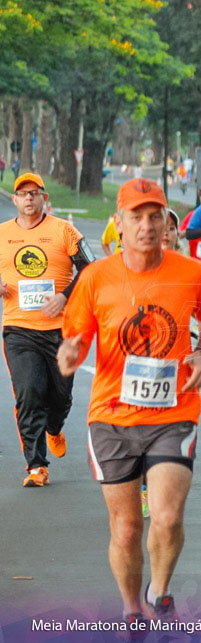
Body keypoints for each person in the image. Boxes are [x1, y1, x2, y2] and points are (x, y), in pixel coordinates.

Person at [57, 178, 201, 625]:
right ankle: (132, 610)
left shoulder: (190, 273)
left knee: (166, 517)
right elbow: (75, 337)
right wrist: (70, 352)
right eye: (137, 217)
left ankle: (160, 591)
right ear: (119, 223)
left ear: (168, 224)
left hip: (175, 412)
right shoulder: (95, 278)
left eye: (155, 217)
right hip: (112, 417)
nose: (147, 226)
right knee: (127, 529)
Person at [0, 172, 95, 487]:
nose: (28, 197)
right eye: (23, 193)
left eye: (34, 192)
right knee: (29, 392)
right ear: (14, 200)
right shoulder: (2, 234)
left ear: (44, 198)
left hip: (62, 328)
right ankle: (36, 466)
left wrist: (64, 296)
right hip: (19, 328)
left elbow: (90, 268)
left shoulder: (64, 230)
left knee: (59, 396)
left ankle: (54, 428)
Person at [181, 185, 201, 260]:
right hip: (196, 259)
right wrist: (195, 231)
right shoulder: (192, 215)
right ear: (200, 198)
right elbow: (180, 235)